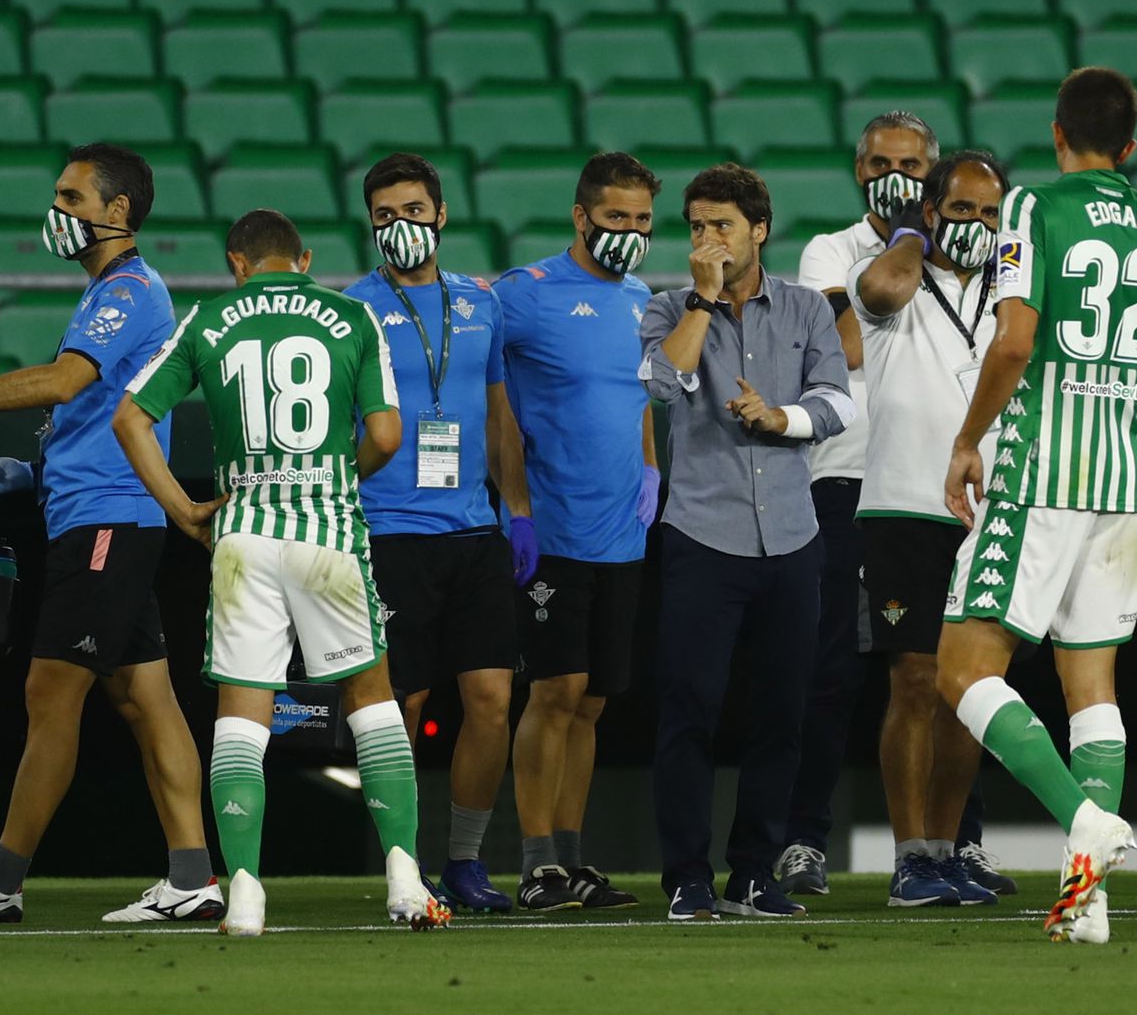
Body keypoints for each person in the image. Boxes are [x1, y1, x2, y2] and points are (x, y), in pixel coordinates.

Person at [0, 144, 220, 925]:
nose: (59, 212)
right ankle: (192, 877)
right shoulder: (109, 291)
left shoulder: (131, 290)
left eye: (73, 198)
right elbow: (92, 414)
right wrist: (35, 473)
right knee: (148, 700)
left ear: (118, 213)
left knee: (51, 691)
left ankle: (0, 881)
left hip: (108, 523)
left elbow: (67, 381)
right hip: (102, 512)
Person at [112, 207, 448, 936]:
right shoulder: (352, 315)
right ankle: (402, 875)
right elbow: (387, 433)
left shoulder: (208, 319)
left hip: (242, 534)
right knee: (371, 698)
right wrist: (335, 477)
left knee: (243, 713)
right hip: (326, 532)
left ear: (237, 262)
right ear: (304, 260)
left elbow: (130, 418)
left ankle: (245, 890)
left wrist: (183, 509)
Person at [938, 68, 1137, 944]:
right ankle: (1084, 901)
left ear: (1058, 135)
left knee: (961, 670)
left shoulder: (1032, 210)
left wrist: (967, 439)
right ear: (1129, 147)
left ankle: (1081, 825)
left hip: (1038, 472)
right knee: (1091, 688)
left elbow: (1015, 343)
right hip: (1116, 480)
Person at [640, 163, 853, 920]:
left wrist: (780, 419)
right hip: (703, 534)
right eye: (696, 225)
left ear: (759, 230)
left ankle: (755, 872)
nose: (707, 238)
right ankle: (688, 878)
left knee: (781, 714)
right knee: (689, 710)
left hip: (794, 538)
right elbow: (662, 386)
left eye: (721, 225)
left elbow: (836, 401)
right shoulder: (668, 307)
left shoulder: (804, 310)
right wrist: (701, 298)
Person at [343, 153, 536, 915]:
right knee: (400, 703)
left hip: (474, 530)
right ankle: (404, 863)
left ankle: (463, 860)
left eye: (414, 211)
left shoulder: (480, 303)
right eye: (386, 215)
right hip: (390, 532)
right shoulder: (351, 309)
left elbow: (498, 415)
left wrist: (515, 510)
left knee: (491, 699)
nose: (402, 227)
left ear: (442, 215)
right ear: (371, 225)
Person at [775, 111, 935, 898]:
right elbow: (845, 344)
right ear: (858, 168)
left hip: (926, 482)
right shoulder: (829, 252)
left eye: (909, 163)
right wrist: (909, 248)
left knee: (934, 672)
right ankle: (804, 839)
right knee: (830, 670)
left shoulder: (956, 252)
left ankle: (947, 843)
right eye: (879, 162)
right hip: (840, 475)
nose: (893, 174)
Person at [850, 151, 1010, 907]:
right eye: (962, 209)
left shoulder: (1012, 293)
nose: (976, 224)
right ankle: (909, 855)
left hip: (987, 511)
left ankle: (946, 850)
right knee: (912, 681)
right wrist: (911, 232)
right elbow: (878, 289)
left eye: (990, 213)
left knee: (968, 691)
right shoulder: (896, 276)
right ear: (931, 210)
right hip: (902, 504)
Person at [499, 152, 658, 911]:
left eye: (641, 221)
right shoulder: (524, 297)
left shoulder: (642, 300)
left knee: (592, 700)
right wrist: (513, 500)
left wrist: (651, 473)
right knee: (554, 690)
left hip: (621, 533)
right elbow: (488, 392)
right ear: (581, 216)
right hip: (552, 529)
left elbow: (641, 400)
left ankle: (571, 857)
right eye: (616, 217)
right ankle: (535, 863)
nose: (628, 232)